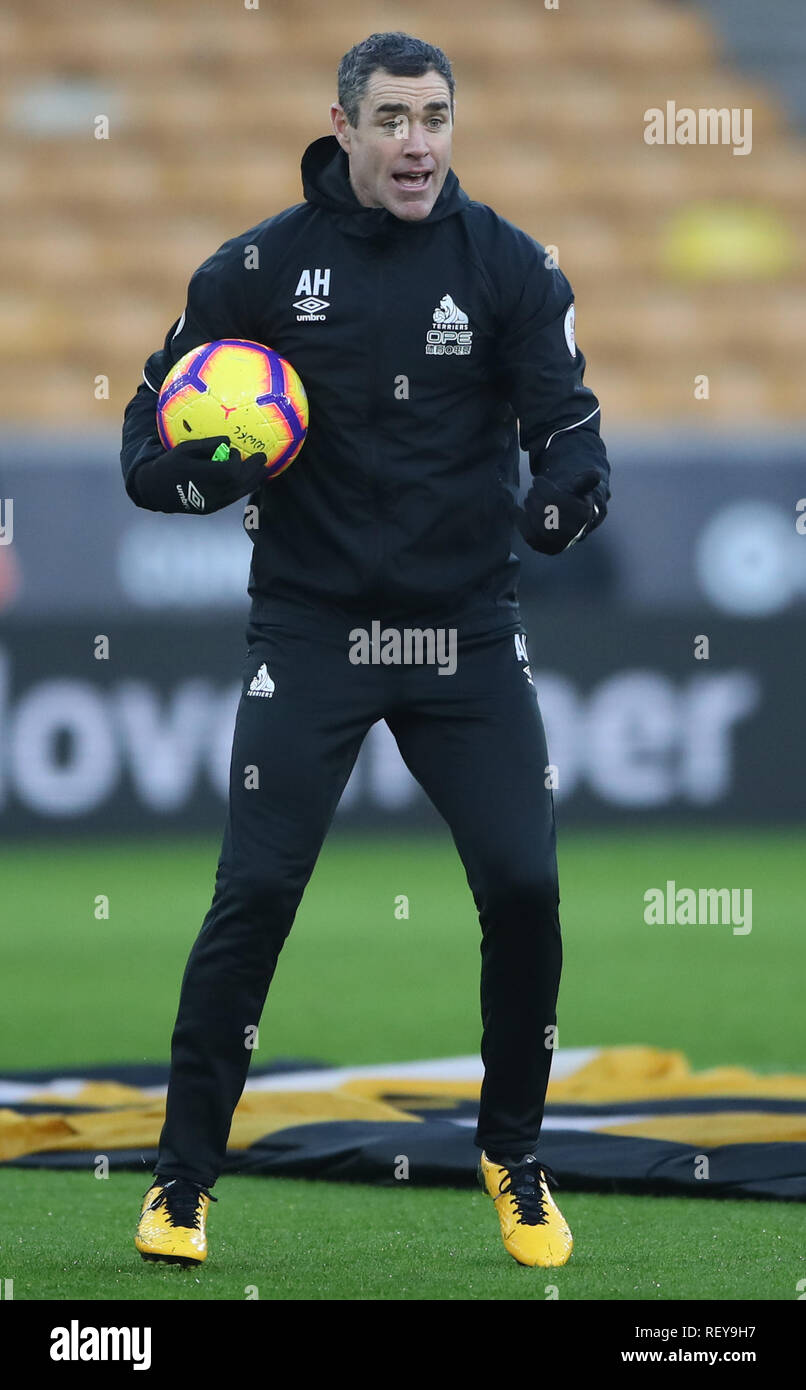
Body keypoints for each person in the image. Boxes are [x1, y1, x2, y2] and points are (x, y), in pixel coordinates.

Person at [121, 30, 610, 1271]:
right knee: (257, 894)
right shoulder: (254, 269)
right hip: (314, 629)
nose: (416, 144)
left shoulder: (507, 265)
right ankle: (181, 1185)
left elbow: (570, 430)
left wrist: (565, 496)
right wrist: (194, 473)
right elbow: (144, 443)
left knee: (524, 887)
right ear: (340, 127)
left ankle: (514, 1156)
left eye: (434, 117)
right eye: (391, 119)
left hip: (463, 633)